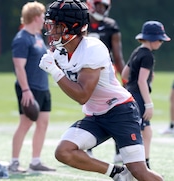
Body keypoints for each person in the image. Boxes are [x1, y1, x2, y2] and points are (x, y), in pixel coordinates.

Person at [39, 0, 164, 180]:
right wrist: (53, 64)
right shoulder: (61, 51)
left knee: (139, 171)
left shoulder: (92, 48)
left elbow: (82, 95)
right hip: (96, 115)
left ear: (72, 27)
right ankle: (117, 173)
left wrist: (54, 71)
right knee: (64, 152)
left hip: (121, 111)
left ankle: (128, 172)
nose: (51, 30)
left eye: (56, 25)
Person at [9, 1, 56, 173]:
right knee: (25, 124)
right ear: (36, 17)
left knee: (43, 123)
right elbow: (19, 67)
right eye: (43, 15)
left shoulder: (37, 36)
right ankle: (14, 162)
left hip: (43, 87)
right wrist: (26, 90)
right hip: (30, 88)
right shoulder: (22, 38)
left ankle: (35, 161)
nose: (44, 19)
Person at [121, 21, 171, 169]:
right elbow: (142, 81)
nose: (161, 43)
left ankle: (143, 165)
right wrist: (148, 104)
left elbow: (125, 73)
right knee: (143, 132)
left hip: (130, 94)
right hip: (139, 98)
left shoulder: (137, 51)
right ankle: (143, 167)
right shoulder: (148, 56)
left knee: (146, 131)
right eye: (160, 40)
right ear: (152, 39)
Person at [86, 0, 125, 163]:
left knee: (115, 108)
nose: (102, 9)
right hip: (86, 72)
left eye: (105, 6)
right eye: (99, 5)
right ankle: (87, 147)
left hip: (106, 74)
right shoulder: (82, 22)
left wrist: (125, 77)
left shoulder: (111, 25)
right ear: (91, 5)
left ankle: (118, 150)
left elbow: (118, 56)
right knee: (90, 109)